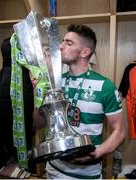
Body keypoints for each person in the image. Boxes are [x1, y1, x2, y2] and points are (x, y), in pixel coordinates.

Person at [31, 24, 125, 179]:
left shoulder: (105, 87)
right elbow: (39, 124)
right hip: (53, 169)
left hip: (86, 173)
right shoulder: (54, 83)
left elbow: (120, 131)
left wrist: (97, 152)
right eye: (62, 41)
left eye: (69, 43)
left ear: (85, 52)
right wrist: (38, 94)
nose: (60, 46)